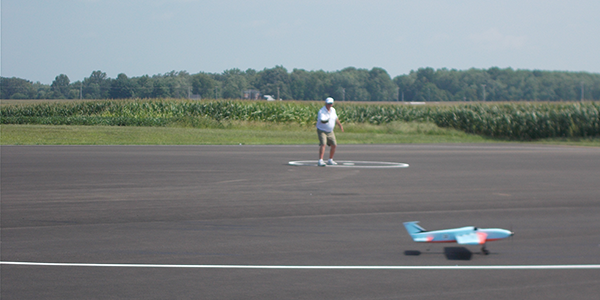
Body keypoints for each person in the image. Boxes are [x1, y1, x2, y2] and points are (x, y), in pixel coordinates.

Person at [316, 97, 344, 166]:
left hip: (330, 131)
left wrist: (340, 125)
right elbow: (322, 120)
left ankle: (330, 159)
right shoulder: (322, 111)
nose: (329, 105)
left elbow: (335, 118)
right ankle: (320, 160)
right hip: (322, 130)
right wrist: (326, 120)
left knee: (334, 145)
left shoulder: (333, 110)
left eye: (331, 104)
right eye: (328, 104)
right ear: (326, 103)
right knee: (323, 144)